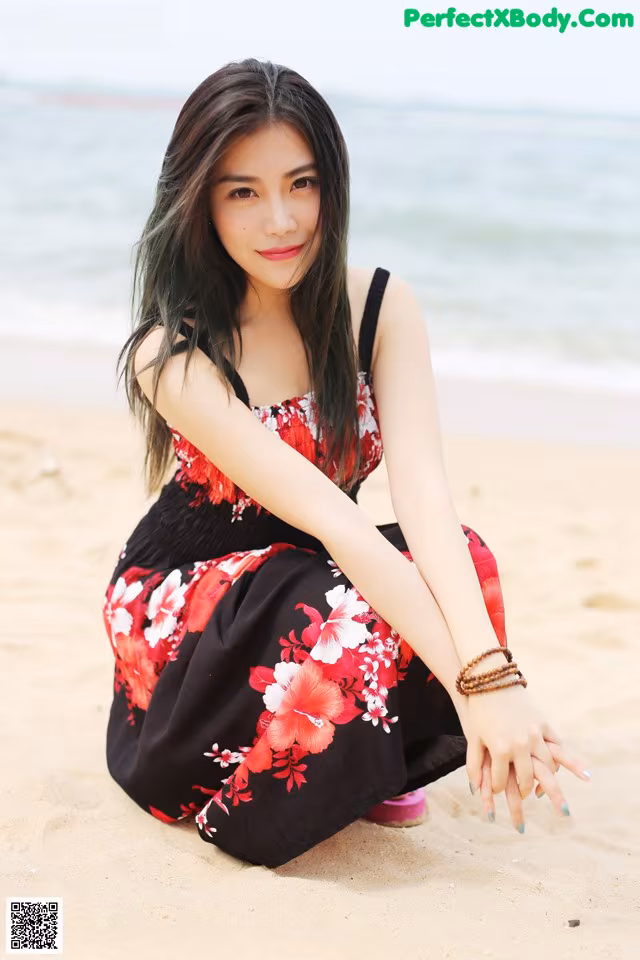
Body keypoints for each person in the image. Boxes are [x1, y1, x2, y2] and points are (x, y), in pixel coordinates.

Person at [102, 58, 590, 869]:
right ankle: (260, 811)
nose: (282, 220)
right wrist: (483, 692)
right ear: (199, 202)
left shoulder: (377, 308)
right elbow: (334, 516)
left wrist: (494, 679)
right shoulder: (175, 354)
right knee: (339, 601)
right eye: (243, 192)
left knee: (466, 560)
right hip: (192, 597)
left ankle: (371, 761)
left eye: (302, 183)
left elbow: (422, 496)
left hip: (313, 565)